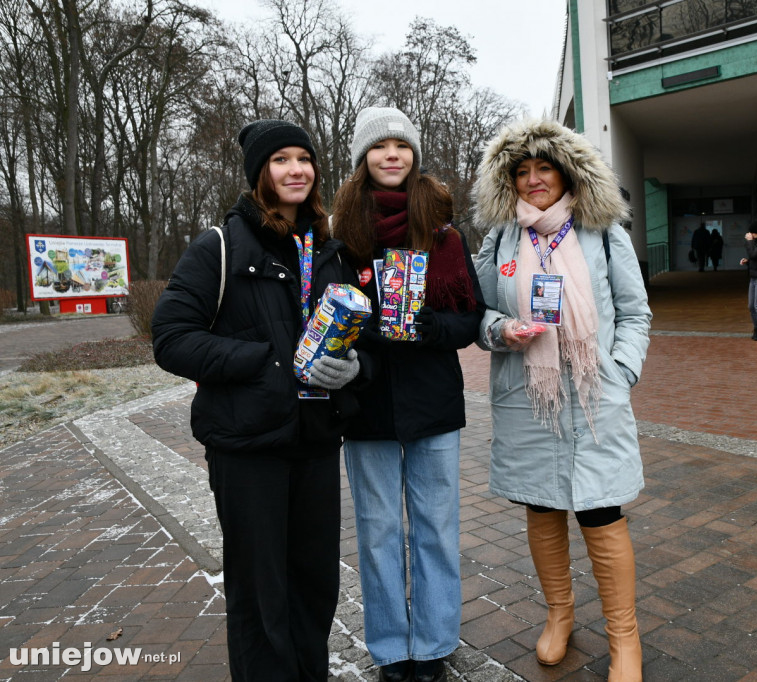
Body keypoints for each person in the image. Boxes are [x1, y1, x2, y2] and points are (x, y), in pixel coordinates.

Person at [152, 119, 367, 680]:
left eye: (304, 158)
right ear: (259, 174)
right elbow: (171, 339)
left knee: (314, 586)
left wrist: (350, 368)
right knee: (258, 595)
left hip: (316, 442)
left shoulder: (329, 250)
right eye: (280, 160)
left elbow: (351, 338)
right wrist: (266, 362)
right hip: (248, 447)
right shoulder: (220, 247)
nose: (295, 169)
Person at [473, 119, 651, 682]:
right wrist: (502, 331)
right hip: (527, 395)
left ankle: (625, 638)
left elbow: (635, 312)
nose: (533, 180)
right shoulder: (500, 238)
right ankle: (560, 615)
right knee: (542, 505)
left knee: (602, 509)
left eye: (542, 168)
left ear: (566, 171)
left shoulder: (601, 230)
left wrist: (620, 369)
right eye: (521, 172)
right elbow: (476, 314)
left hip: (596, 395)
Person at [331, 107, 484, 682]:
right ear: (363, 159)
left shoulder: (443, 234)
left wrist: (421, 327)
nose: (391, 154)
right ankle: (392, 649)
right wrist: (369, 329)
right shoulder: (341, 237)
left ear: (414, 155)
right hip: (365, 405)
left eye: (401, 145)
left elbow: (466, 322)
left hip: (434, 404)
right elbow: (330, 315)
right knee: (377, 532)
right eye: (379, 146)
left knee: (436, 529)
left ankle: (435, 643)